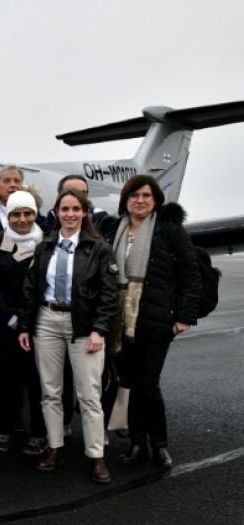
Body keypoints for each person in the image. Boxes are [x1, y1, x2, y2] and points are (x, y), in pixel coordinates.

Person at [99, 175, 200, 469]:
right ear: (125, 200)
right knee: (128, 382)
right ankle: (137, 444)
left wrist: (184, 317)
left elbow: (190, 273)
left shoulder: (169, 230)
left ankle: (159, 445)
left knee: (148, 384)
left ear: (155, 200)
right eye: (134, 195)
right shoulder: (114, 229)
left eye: (146, 195)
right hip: (119, 320)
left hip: (156, 319)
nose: (140, 200)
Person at [17, 189, 118, 484]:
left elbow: (109, 294)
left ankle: (96, 456)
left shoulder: (99, 248)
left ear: (84, 212)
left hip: (84, 325)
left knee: (89, 395)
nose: (70, 214)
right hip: (47, 321)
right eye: (64, 209)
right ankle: (54, 448)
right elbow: (30, 287)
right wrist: (25, 326)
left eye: (76, 209)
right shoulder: (45, 246)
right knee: (50, 391)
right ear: (56, 212)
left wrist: (100, 330)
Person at [0, 190, 49, 456]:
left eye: (27, 213)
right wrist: (10, 317)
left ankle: (38, 433)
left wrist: (30, 319)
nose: (22, 219)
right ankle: (4, 429)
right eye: (16, 214)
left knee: (38, 382)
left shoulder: (48, 243)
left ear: (35, 214)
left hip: (39, 322)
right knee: (4, 381)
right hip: (5, 323)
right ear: (7, 216)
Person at [42, 175, 108, 234]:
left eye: (83, 192)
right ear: (59, 196)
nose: (78, 196)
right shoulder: (51, 219)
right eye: (71, 192)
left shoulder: (100, 219)